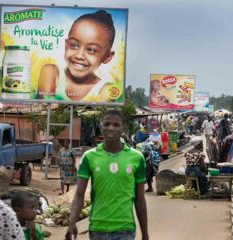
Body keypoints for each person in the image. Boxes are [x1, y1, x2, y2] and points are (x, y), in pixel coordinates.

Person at [65, 110, 149, 240]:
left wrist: (145, 233)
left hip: (125, 229)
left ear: (123, 129)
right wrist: (72, 222)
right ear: (101, 127)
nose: (111, 128)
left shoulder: (137, 158)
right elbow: (79, 194)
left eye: (116, 125)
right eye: (107, 124)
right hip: (97, 228)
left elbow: (140, 199)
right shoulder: (89, 157)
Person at [38, 10, 116, 101]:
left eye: (91, 50)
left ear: (107, 57)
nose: (79, 55)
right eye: (74, 45)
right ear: (66, 45)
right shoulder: (51, 72)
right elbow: (46, 107)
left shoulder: (105, 89)